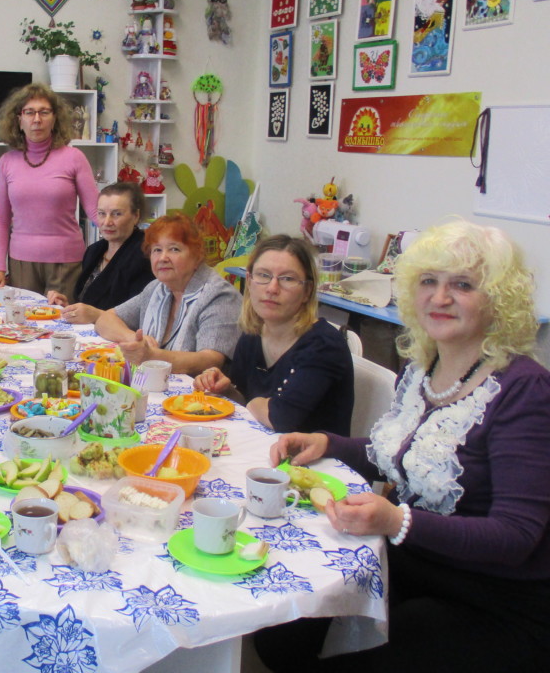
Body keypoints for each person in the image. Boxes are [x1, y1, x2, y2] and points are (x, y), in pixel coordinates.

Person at [257, 221, 550, 671]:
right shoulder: (423, 369)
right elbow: (402, 455)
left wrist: (397, 519)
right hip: (417, 559)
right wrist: (326, 442)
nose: (440, 297)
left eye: (463, 285)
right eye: (429, 281)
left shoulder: (524, 389)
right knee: (279, 633)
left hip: (494, 596)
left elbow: (516, 537)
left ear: (497, 299)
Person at [192, 234, 353, 434]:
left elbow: (281, 418)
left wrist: (254, 404)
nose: (272, 288)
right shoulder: (252, 336)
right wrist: (226, 390)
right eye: (263, 275)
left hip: (307, 454)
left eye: (287, 279)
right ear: (249, 281)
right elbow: (244, 399)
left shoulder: (324, 345)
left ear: (307, 291)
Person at [0, 83, 100, 299]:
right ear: (19, 119)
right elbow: (0, 219)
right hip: (21, 263)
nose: (37, 119)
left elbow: (95, 211)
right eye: (29, 112)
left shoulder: (74, 158)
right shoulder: (6, 162)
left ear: (55, 118)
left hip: (66, 262)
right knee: (23, 320)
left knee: (63, 319)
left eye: (44, 112)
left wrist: (124, 237)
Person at [94, 212, 241, 376]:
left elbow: (211, 360)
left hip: (198, 391)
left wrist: (152, 357)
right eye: (157, 250)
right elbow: (105, 320)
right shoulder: (156, 288)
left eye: (174, 249)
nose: (163, 258)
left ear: (197, 255)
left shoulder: (219, 296)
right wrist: (133, 339)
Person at [46, 181, 154, 325]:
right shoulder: (94, 250)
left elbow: (138, 317)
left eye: (116, 214)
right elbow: (88, 303)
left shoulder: (145, 256)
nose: (107, 222)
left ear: (136, 216)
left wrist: (94, 315)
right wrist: (68, 307)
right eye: (102, 214)